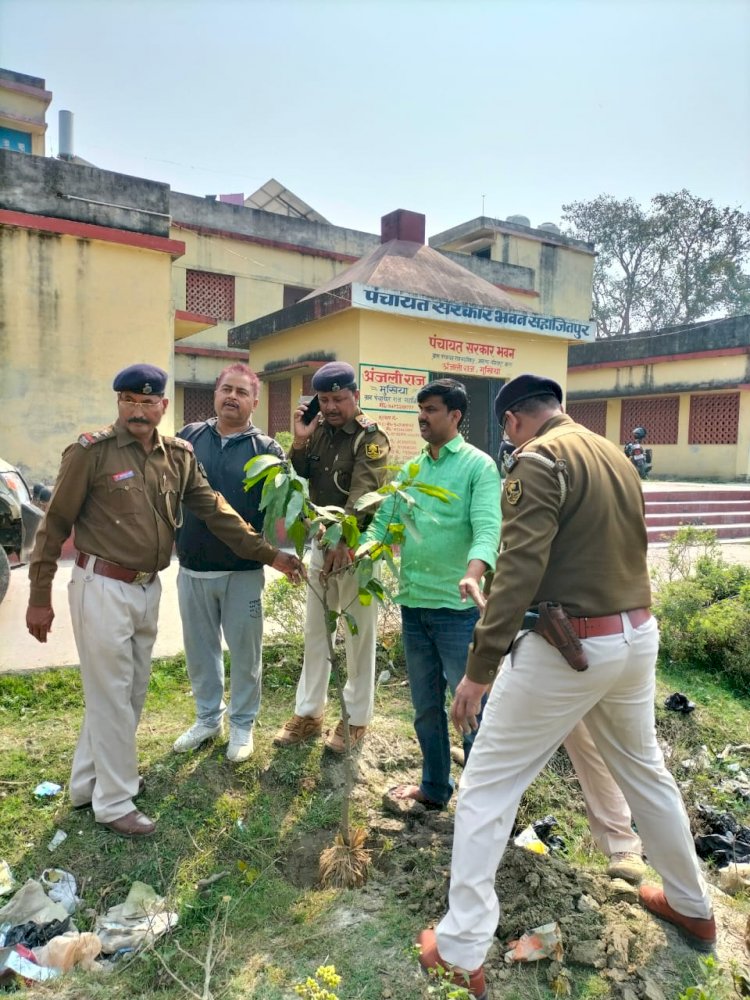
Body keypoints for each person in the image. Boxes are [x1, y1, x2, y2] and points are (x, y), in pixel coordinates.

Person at [417, 373, 714, 999]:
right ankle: (693, 904)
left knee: (489, 784)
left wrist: (479, 668)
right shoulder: (611, 452)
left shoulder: (539, 457)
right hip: (634, 634)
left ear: (513, 421)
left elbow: (523, 563)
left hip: (570, 647)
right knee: (645, 771)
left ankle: (461, 944)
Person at [26, 364, 303, 839]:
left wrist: (270, 554)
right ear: (119, 403)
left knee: (126, 694)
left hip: (145, 587)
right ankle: (114, 801)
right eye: (129, 399)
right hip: (102, 587)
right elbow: (53, 527)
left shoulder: (176, 455)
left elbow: (215, 511)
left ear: (163, 407)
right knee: (113, 694)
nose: (138, 408)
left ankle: (85, 784)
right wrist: (38, 596)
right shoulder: (90, 452)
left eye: (148, 401)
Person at [364, 379, 501, 809]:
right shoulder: (410, 471)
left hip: (458, 612)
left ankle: (481, 802)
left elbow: (487, 528)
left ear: (455, 416)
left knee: (469, 709)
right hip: (414, 607)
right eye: (420, 409)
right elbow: (384, 524)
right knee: (425, 708)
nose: (422, 417)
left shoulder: (479, 467)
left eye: (432, 409)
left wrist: (474, 574)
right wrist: (357, 548)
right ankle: (436, 789)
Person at [273, 361, 390, 753]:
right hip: (322, 546)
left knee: (359, 636)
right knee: (315, 632)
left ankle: (356, 720)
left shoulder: (370, 438)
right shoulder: (318, 431)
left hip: (356, 550)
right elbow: (299, 476)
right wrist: (301, 439)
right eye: (324, 399)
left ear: (355, 396)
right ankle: (309, 714)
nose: (332, 406)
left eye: (340, 399)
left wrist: (344, 538)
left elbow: (364, 492)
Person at [172, 363, 285, 763]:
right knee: (200, 651)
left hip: (242, 571)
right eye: (225, 389)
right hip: (192, 568)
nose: (231, 397)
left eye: (241, 392)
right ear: (215, 394)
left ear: (255, 401)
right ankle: (207, 718)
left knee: (245, 653)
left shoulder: (267, 451)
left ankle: (242, 723)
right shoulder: (188, 438)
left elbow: (280, 511)